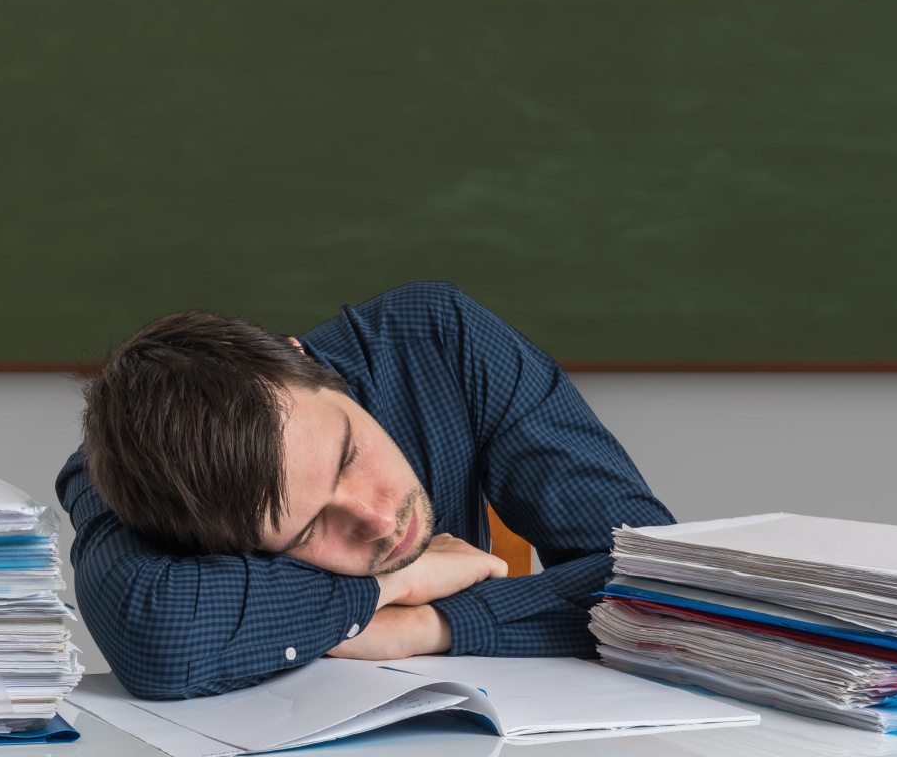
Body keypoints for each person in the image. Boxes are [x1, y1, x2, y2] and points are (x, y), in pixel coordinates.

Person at [55, 281, 674, 700]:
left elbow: (666, 589)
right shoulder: (143, 477)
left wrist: (431, 624)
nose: (378, 519)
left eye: (348, 455)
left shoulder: (441, 339)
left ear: (304, 361)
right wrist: (390, 586)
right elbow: (159, 635)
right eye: (306, 531)